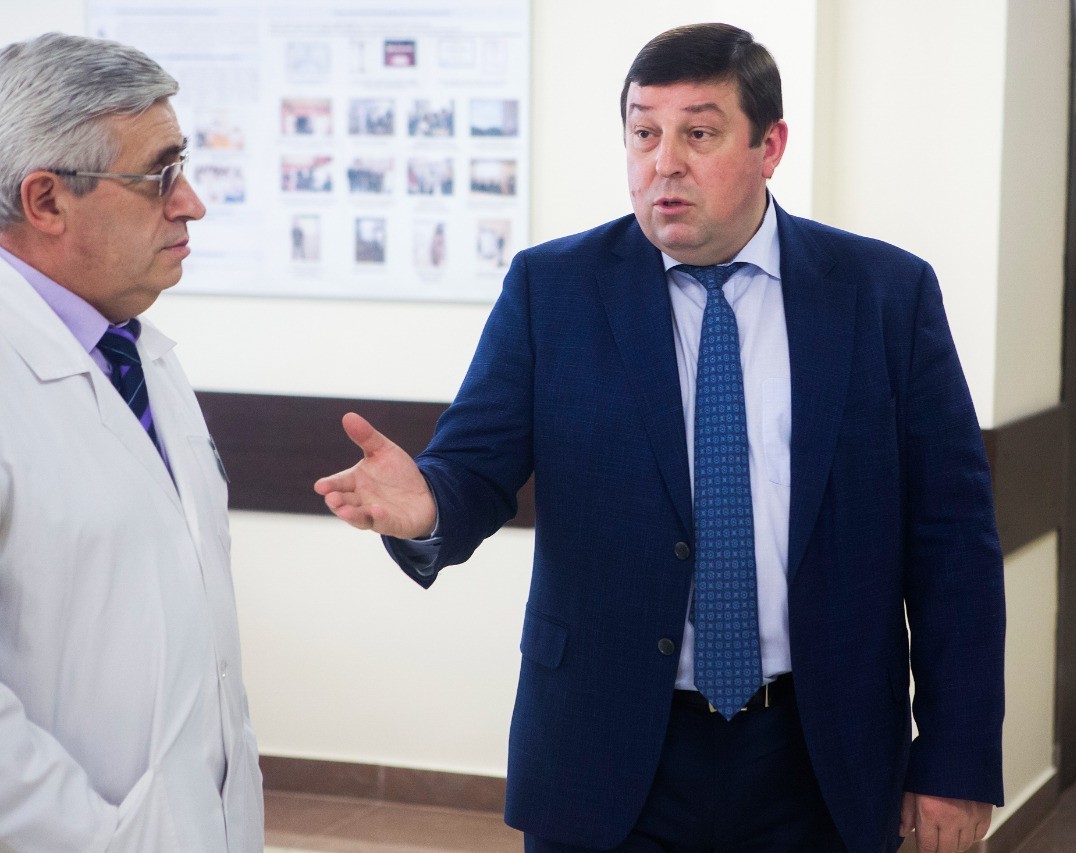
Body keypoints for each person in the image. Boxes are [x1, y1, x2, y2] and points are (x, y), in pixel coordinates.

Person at [317, 23, 1004, 853]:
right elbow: (474, 468)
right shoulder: (554, 290)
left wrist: (956, 758)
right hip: (607, 749)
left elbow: (952, 542)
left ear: (770, 146)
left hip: (821, 754)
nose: (664, 163)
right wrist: (428, 505)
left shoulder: (884, 294)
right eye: (644, 133)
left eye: (699, 134)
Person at [0, 33, 263, 851]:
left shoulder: (135, 354)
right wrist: (103, 837)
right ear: (47, 201)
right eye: (159, 176)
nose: (191, 204)